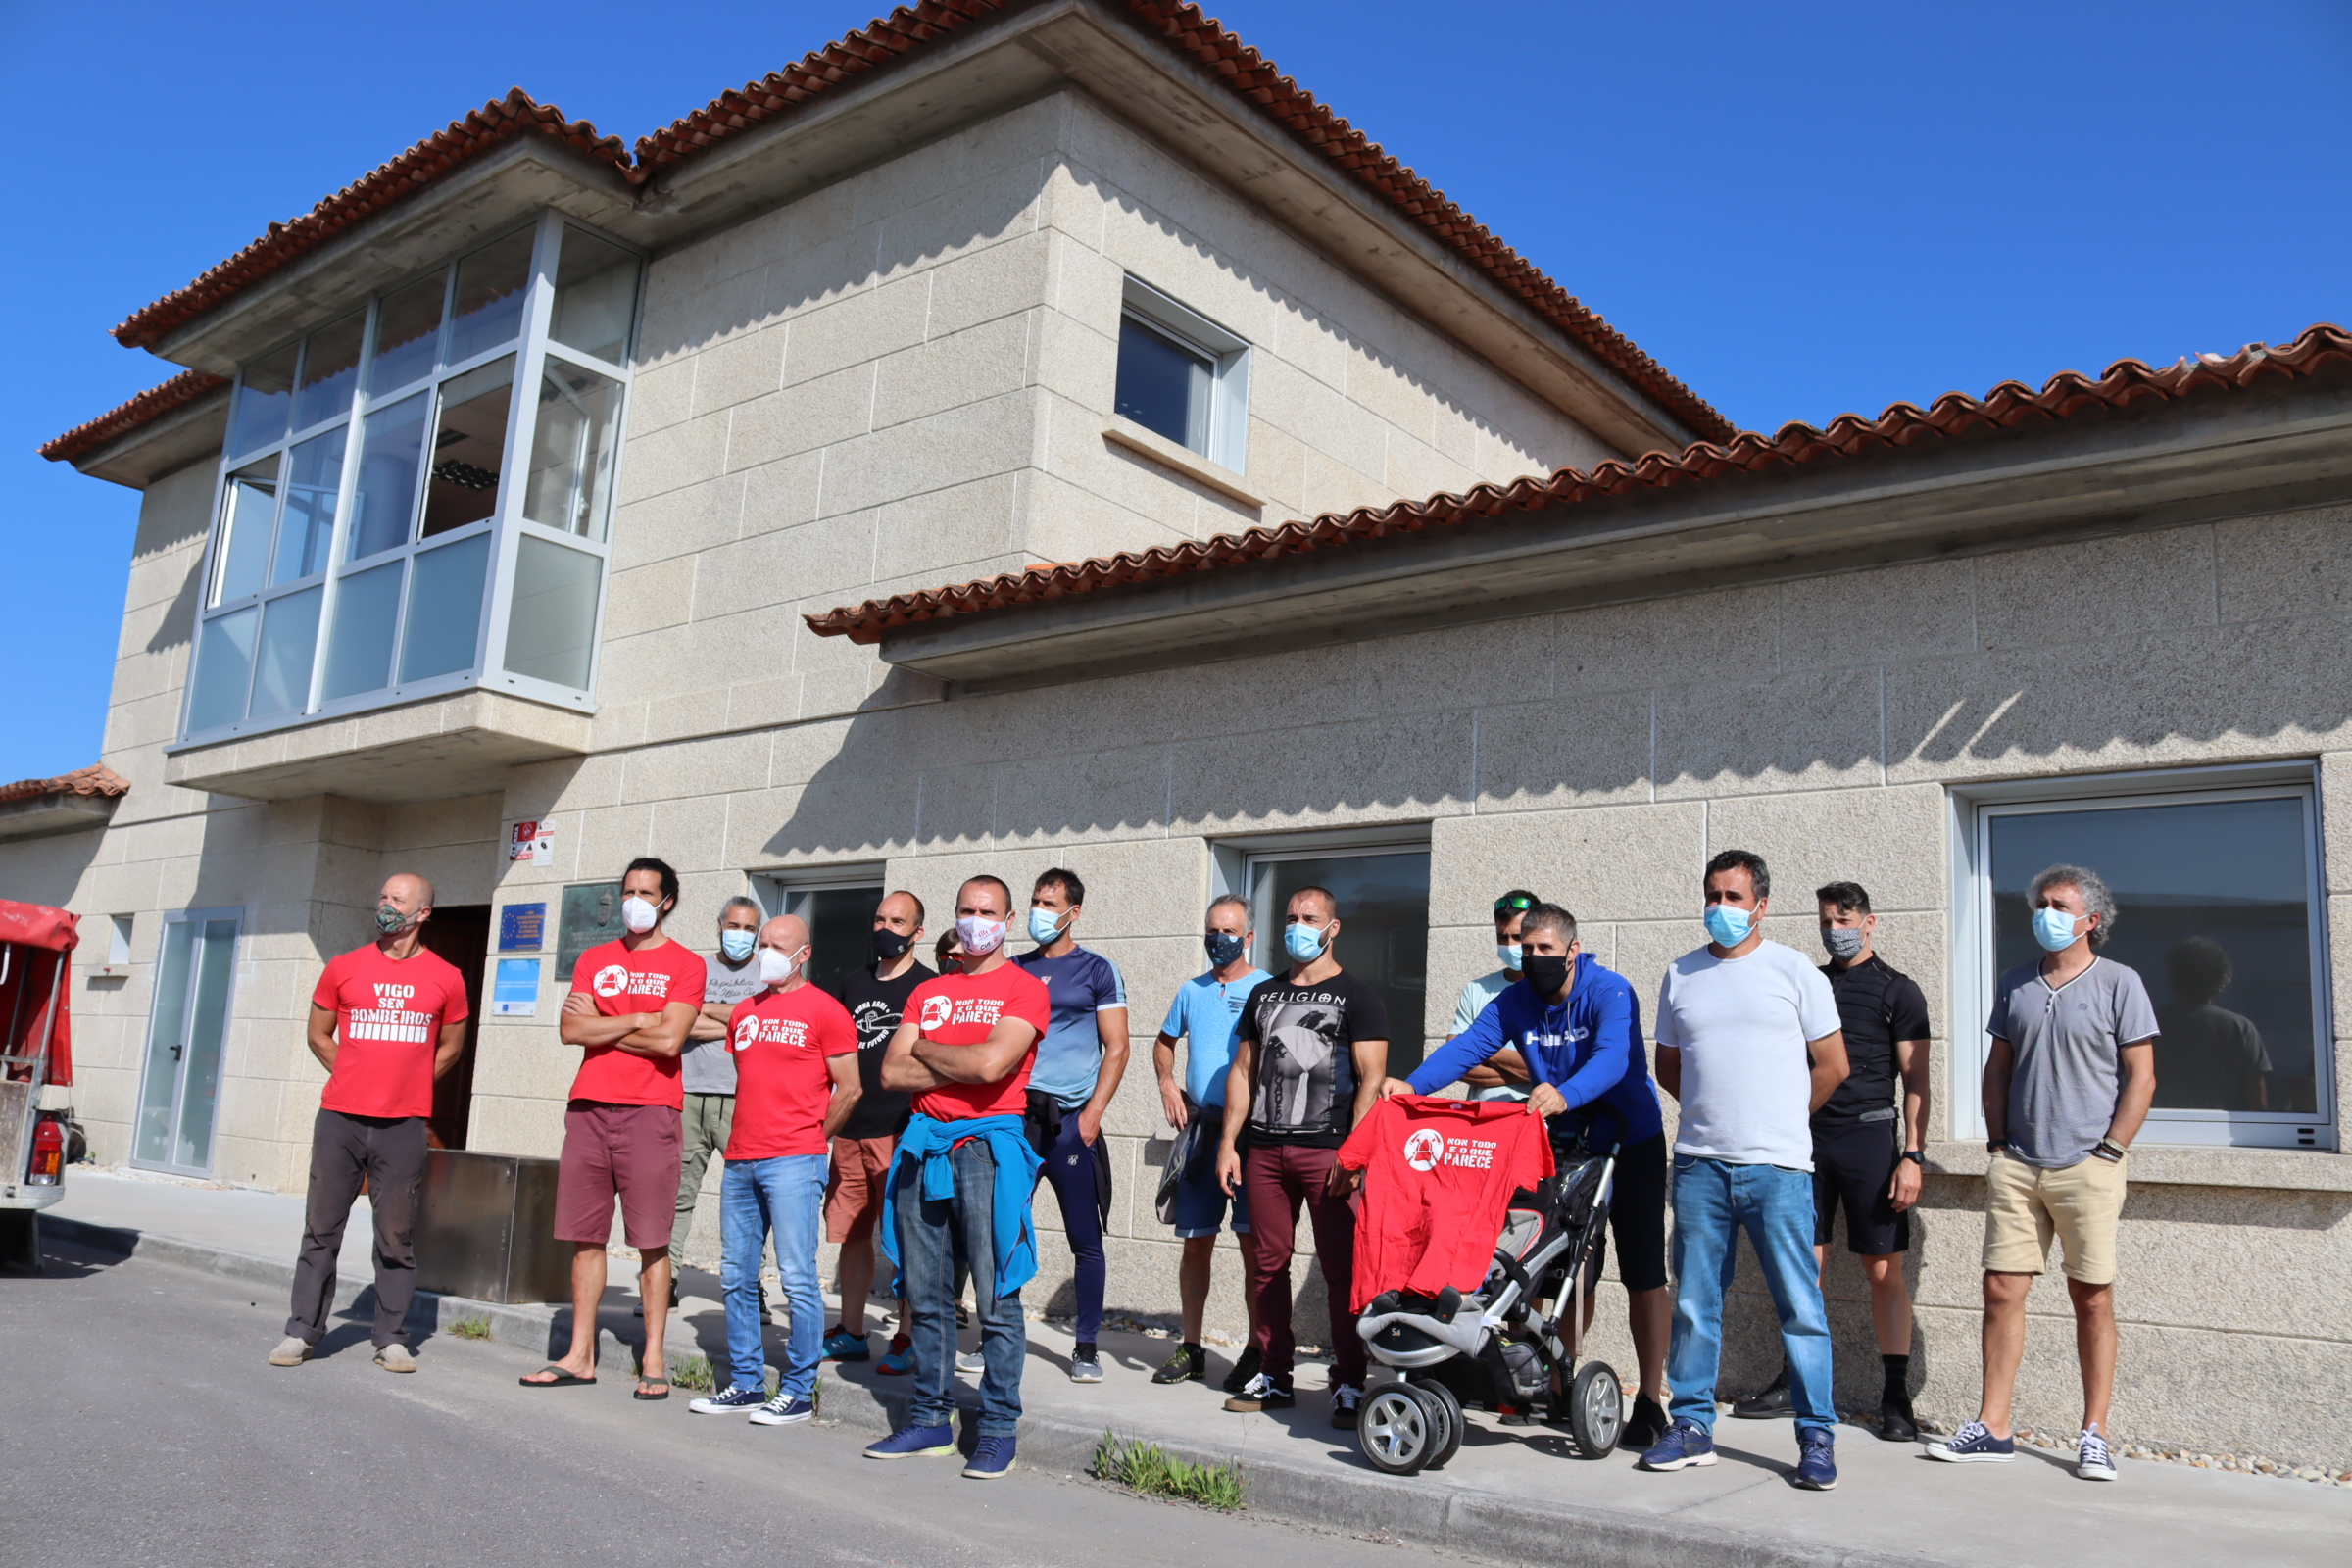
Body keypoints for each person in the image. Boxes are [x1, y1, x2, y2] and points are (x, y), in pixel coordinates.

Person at [1387, 901, 1673, 1446]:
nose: (1534, 957)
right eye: (1526, 946)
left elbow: (1613, 1060)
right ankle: (1561, 1384)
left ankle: (1651, 1400)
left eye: (1545, 948)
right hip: (1563, 1141)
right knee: (1560, 1268)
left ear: (1572, 949)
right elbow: (1469, 1047)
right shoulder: (1515, 1000)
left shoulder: (1609, 991)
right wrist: (1414, 1086)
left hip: (1629, 1141)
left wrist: (1567, 1093)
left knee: (1642, 1273)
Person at [1931, 864, 2157, 1483]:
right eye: (2041, 903)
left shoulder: (2120, 983)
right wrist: (1998, 1142)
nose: (2045, 913)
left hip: (2089, 1165)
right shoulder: (2016, 984)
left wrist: (2112, 1148)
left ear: (2092, 921)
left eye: (2059, 905)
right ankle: (1994, 1426)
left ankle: (2094, 1433)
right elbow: (1997, 1068)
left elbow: (2142, 1075)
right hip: (2018, 1165)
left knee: (2093, 1297)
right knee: (2001, 1291)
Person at [1639, 849, 1850, 1492]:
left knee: (1801, 1306)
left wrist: (1782, 1119)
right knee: (1697, 1303)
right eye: (1713, 895)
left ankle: (1817, 1435)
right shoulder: (1681, 975)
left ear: (1761, 904)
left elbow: (1834, 1065)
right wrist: (1713, 1116)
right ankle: (1693, 1425)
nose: (1721, 908)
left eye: (1733, 897)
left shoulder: (1794, 972)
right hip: (1701, 1167)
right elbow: (1668, 1067)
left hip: (1780, 1171)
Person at [864, 875, 1050, 1481]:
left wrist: (933, 1054)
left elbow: (996, 1063)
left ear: (1009, 917)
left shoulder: (1025, 989)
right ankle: (929, 1421)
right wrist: (964, 1068)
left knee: (997, 1297)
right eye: (966, 910)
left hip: (989, 1155)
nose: (976, 921)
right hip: (924, 1149)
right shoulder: (929, 992)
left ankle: (997, 1429)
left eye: (987, 911)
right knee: (926, 1295)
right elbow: (892, 1071)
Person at [1734, 881, 1932, 1442]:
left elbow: (1917, 1081)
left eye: (1844, 920)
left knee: (1882, 1270)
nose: (1834, 930)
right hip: (1804, 1139)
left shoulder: (1900, 991)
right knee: (1805, 1269)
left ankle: (1895, 1396)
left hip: (1870, 1139)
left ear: (1870, 922)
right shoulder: (1807, 981)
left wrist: (1912, 1155)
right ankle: (1797, 1382)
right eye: (1825, 921)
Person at [270, 873, 468, 1373]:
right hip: (340, 1119)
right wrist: (359, 1075)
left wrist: (407, 1084)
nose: (385, 904)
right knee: (320, 1230)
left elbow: (452, 1046)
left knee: (396, 1235)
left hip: (402, 1125)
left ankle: (392, 1337)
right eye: (381, 895)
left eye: (397, 899)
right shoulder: (343, 967)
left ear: (423, 912)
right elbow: (319, 1035)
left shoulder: (447, 977)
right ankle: (301, 1332)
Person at [523, 858, 705, 1398]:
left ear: (667, 901)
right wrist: (634, 1020)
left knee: (652, 1242)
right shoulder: (595, 958)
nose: (635, 901)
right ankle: (579, 1354)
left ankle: (652, 1357)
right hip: (589, 1108)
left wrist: (599, 1026)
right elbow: (568, 1029)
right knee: (586, 1238)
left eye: (647, 892)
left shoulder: (685, 964)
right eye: (628, 891)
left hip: (652, 1111)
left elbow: (669, 1042)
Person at [1215, 886, 1388, 1430]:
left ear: (1332, 928)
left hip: (1329, 1154)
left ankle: (1350, 1383)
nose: (1299, 926)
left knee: (1342, 1270)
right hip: (1265, 1151)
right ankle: (1275, 1373)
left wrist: (1354, 1153)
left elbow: (1372, 1079)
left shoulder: (1359, 997)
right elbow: (1242, 1073)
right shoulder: (1263, 995)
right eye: (1291, 917)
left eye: (1310, 918)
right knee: (1267, 1266)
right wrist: (1228, 1144)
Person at [687, 914, 861, 1426]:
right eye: (762, 943)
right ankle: (744, 1383)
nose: (765, 952)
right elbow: (753, 1078)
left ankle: (800, 1389)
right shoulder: (744, 1012)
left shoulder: (827, 1012)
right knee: (738, 1275)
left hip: (794, 1160)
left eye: (776, 945)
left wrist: (814, 1138)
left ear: (803, 954)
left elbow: (848, 1087)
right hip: (741, 1158)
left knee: (797, 1278)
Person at [1149, 894, 1270, 1392]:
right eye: (1212, 930)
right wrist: (1167, 1084)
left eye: (1229, 931)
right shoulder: (1191, 991)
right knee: (1196, 1243)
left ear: (1249, 936)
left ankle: (1256, 1351)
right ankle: (1193, 1347)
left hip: (1250, 1136)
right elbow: (1163, 1042)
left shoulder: (1268, 989)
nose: (1219, 939)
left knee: (1251, 1247)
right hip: (1201, 1132)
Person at [1014, 868, 1130, 1384]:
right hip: (1014, 1121)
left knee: (1085, 1239)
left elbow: (1119, 1046)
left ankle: (1085, 1346)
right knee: (1003, 1233)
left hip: (1069, 1125)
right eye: (1035, 901)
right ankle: (1002, 1336)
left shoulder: (1097, 970)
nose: (1040, 911)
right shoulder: (1014, 968)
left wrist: (1093, 1115)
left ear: (1073, 912)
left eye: (1050, 902)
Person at [822, 890, 932, 1374]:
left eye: (898, 921)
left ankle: (907, 1336)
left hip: (902, 1131)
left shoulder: (930, 989)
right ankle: (850, 1332)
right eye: (881, 919)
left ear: (918, 933)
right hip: (851, 1129)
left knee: (910, 1240)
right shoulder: (851, 984)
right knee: (853, 1235)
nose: (886, 929)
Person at [662, 897, 764, 1311]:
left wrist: (703, 1012)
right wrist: (734, 1018)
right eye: (733, 925)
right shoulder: (694, 967)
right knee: (676, 1195)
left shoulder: (766, 971)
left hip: (744, 1098)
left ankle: (748, 1286)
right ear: (719, 924)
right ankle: (663, 1281)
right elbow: (675, 1019)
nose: (740, 934)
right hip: (687, 1094)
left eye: (749, 928)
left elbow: (759, 1025)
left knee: (748, 1201)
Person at [2152, 937, 2268, 1111]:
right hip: (2224, 1132)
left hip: (2157, 1128)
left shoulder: (2150, 1025)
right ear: (2220, 979)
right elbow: (2257, 1102)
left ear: (2173, 978)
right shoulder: (2239, 1028)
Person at [1446, 890, 1539, 1102]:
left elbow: (1557, 1065)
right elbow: (1456, 1063)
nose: (1509, 945)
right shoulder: (1477, 989)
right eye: (1502, 937)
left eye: (1518, 937)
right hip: (1483, 1123)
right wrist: (1532, 1072)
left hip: (1538, 1120)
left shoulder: (1555, 990)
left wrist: (1478, 1047)